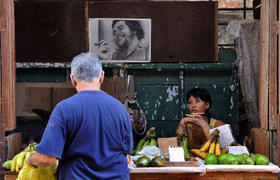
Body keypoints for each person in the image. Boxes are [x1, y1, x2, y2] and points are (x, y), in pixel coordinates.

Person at [27, 52, 133, 179]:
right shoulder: (120, 109)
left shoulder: (64, 109)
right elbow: (126, 154)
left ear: (73, 79)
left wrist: (31, 159)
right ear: (101, 77)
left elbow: (47, 158)